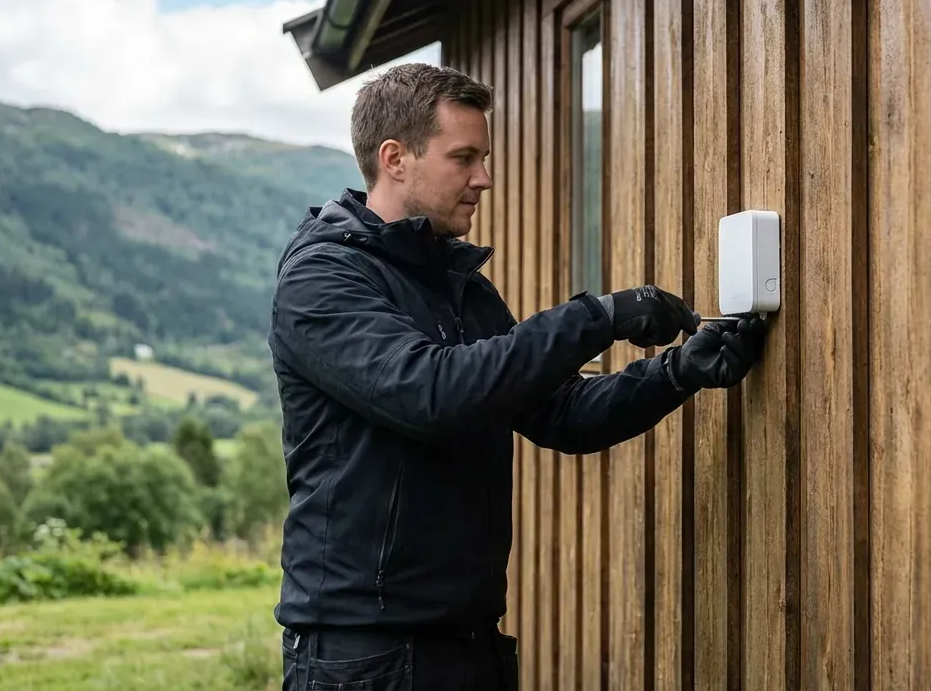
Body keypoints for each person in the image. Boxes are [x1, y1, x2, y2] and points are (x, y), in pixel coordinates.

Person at [268, 62, 766, 690]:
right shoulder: (324, 280)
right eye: (464, 157)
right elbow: (431, 393)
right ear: (395, 158)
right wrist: (599, 317)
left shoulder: (461, 288)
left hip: (469, 642)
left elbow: (560, 414)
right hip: (364, 657)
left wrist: (676, 372)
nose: (485, 178)